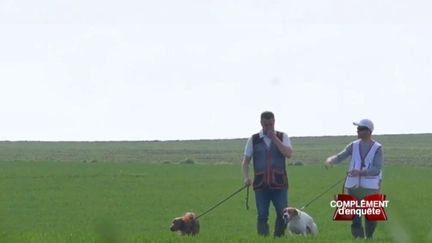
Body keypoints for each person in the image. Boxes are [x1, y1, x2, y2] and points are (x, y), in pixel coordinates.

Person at [325, 119, 383, 240]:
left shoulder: (377, 148)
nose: (357, 130)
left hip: (371, 187)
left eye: (360, 128)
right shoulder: (353, 145)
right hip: (353, 186)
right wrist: (331, 160)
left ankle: (369, 237)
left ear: (368, 131)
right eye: (358, 128)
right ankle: (358, 238)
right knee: (355, 215)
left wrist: (361, 173)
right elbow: (341, 156)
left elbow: (377, 169)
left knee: (371, 217)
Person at [242, 111, 293, 237]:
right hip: (261, 185)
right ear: (261, 123)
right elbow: (245, 162)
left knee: (283, 214)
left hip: (280, 184)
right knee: (262, 215)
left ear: (274, 122)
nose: (269, 127)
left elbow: (288, 154)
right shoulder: (253, 139)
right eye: (266, 125)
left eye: (271, 124)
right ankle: (263, 239)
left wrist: (274, 138)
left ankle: (278, 237)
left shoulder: (282, 136)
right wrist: (246, 177)